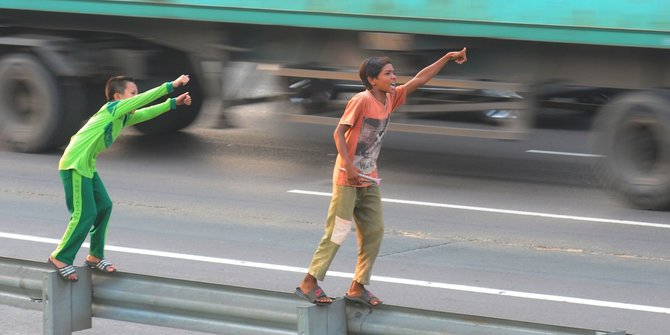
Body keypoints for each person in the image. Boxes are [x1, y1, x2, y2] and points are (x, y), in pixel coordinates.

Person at [296, 48, 467, 305]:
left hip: (369, 177)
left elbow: (420, 79)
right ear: (372, 79)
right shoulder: (361, 100)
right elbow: (338, 133)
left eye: (394, 72)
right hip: (347, 177)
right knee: (338, 232)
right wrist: (348, 166)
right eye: (388, 73)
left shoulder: (391, 98)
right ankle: (309, 282)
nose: (394, 76)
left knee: (374, 231)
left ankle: (357, 287)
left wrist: (446, 58)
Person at [47, 74, 193, 281]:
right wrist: (171, 86)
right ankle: (60, 257)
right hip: (74, 164)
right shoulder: (111, 109)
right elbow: (143, 102)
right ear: (117, 97)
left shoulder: (123, 115)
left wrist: (172, 103)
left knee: (104, 206)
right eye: (133, 94)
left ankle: (95, 256)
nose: (137, 97)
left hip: (86, 166)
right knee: (84, 214)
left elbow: (146, 112)